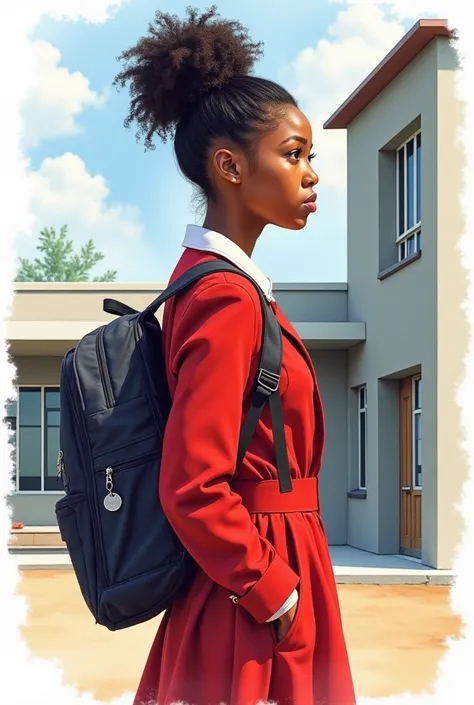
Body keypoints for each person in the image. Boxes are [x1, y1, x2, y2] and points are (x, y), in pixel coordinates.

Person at [114, 6, 356, 705]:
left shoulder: (223, 286)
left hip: (260, 574)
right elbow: (193, 483)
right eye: (293, 153)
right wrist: (275, 591)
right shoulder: (225, 297)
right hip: (252, 594)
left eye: (309, 155)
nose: (311, 174)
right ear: (229, 166)